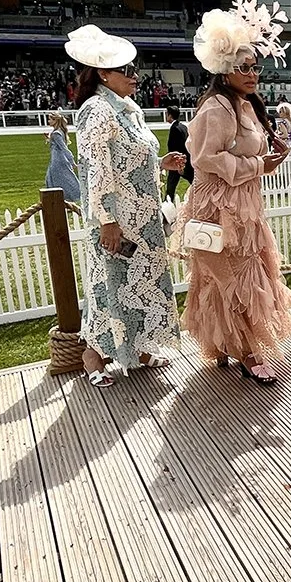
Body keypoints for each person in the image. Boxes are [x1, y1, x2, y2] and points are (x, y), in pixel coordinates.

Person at [181, 1, 291, 384]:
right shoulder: (216, 108)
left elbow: (245, 150)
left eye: (254, 66)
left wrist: (266, 155)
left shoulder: (242, 105)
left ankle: (230, 345)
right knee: (229, 275)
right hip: (218, 207)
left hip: (242, 204)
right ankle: (246, 351)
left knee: (244, 271)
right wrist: (258, 165)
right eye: (243, 67)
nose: (252, 73)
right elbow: (205, 157)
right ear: (225, 69)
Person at [66, 25, 184, 388]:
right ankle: (94, 356)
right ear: (104, 74)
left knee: (143, 284)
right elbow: (96, 169)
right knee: (112, 286)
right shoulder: (97, 110)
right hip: (119, 220)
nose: (136, 77)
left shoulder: (126, 109)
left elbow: (126, 158)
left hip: (143, 218)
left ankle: (139, 349)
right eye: (127, 71)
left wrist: (160, 163)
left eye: (136, 70)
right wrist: (106, 221)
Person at [44, 110, 80, 203]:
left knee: (57, 179)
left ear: (55, 120)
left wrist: (72, 162)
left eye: (50, 120)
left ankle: (66, 198)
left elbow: (64, 148)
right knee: (63, 178)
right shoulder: (59, 132)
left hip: (58, 160)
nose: (49, 122)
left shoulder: (56, 133)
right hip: (59, 159)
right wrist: (49, 139)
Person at [164, 104, 194, 199]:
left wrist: (178, 164)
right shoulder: (183, 127)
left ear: (170, 115)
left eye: (167, 114)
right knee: (193, 181)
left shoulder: (175, 129)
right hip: (185, 161)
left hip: (177, 162)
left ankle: (167, 205)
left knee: (170, 188)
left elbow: (175, 148)